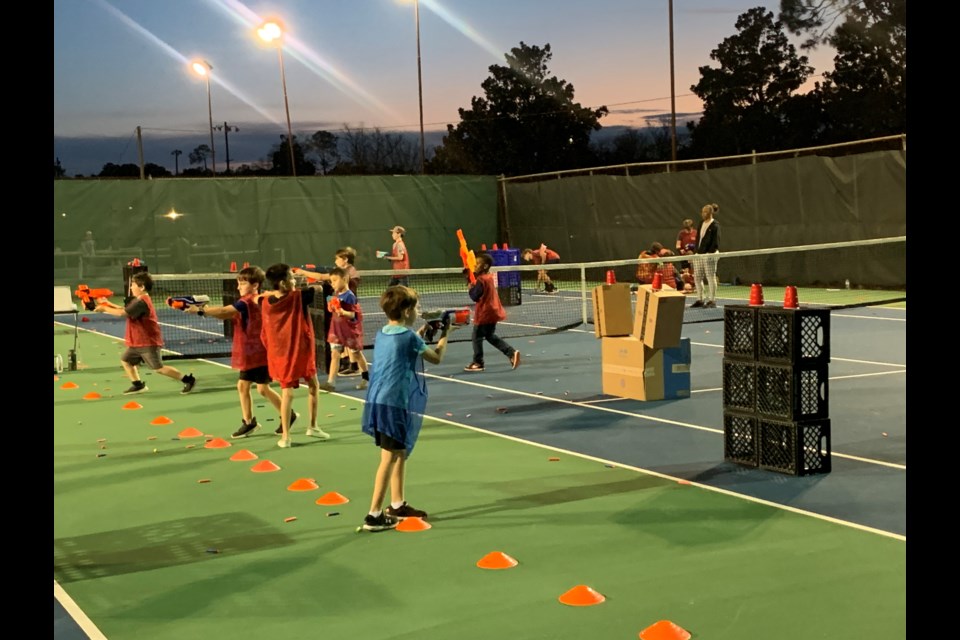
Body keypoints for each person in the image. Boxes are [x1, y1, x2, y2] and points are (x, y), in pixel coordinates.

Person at [359, 285, 456, 531]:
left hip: (378, 400)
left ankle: (397, 504)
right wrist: (446, 334)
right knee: (389, 458)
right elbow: (436, 358)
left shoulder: (383, 332)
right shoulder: (409, 337)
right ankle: (373, 514)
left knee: (398, 452)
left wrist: (423, 331)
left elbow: (403, 345)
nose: (418, 312)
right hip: (393, 404)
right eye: (416, 308)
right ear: (406, 311)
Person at [182, 266, 295, 439]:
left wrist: (201, 310)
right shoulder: (249, 300)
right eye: (238, 283)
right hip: (250, 350)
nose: (238, 287)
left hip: (259, 351)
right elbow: (224, 315)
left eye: (242, 283)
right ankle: (251, 421)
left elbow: (224, 311)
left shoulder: (249, 301)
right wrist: (202, 310)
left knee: (261, 389)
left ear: (255, 284)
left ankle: (279, 416)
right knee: (248, 386)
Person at [258, 263, 330, 448]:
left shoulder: (264, 301)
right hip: (295, 351)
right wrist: (312, 280)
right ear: (282, 283)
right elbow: (323, 286)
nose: (294, 280)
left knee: (309, 386)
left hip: (282, 352)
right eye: (291, 278)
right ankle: (286, 436)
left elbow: (256, 299)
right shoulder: (300, 296)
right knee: (290, 392)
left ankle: (312, 426)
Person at [94, 271, 196, 395]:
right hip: (137, 342)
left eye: (133, 285)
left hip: (147, 342)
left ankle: (188, 380)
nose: (131, 287)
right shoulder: (138, 300)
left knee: (158, 368)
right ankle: (137, 385)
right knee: (126, 360)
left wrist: (104, 308)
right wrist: (108, 304)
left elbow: (123, 313)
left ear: (142, 287)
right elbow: (125, 310)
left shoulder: (141, 302)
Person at [295, 247, 362, 377]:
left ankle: (354, 366)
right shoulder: (350, 271)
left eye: (337, 258)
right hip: (343, 305)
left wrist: (302, 272)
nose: (335, 261)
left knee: (347, 338)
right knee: (347, 338)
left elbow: (321, 276)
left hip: (347, 307)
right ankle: (351, 365)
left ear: (345, 259)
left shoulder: (345, 273)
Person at [463, 252, 522, 372]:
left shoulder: (481, 280)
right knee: (489, 335)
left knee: (477, 336)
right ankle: (511, 353)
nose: (475, 266)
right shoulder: (488, 277)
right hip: (494, 311)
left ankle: (478, 362)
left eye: (477, 264)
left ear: (485, 266)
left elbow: (475, 296)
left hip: (485, 312)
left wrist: (469, 287)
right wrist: (469, 276)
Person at [315, 267, 370, 392]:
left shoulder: (350, 296)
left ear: (344, 279)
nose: (332, 284)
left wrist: (342, 311)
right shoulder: (336, 294)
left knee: (356, 353)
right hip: (336, 329)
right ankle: (331, 382)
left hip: (349, 330)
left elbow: (353, 314)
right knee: (335, 354)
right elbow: (334, 309)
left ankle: (366, 377)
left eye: (335, 280)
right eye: (331, 281)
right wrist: (331, 307)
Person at [690, 203, 721, 308]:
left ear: (711, 213)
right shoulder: (701, 223)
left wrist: (710, 253)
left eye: (705, 212)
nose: (703, 214)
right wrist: (695, 252)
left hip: (709, 255)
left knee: (710, 277)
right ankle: (700, 299)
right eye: (702, 212)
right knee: (697, 278)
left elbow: (715, 242)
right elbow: (698, 239)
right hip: (698, 255)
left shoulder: (715, 225)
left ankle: (712, 300)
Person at [675, 218, 698, 290]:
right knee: (685, 272)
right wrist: (682, 250)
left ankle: (695, 285)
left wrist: (693, 249)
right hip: (684, 257)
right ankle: (684, 286)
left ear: (692, 227)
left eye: (688, 228)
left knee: (694, 272)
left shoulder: (696, 233)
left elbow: (699, 245)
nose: (687, 230)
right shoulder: (681, 233)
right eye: (686, 228)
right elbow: (677, 246)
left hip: (694, 257)